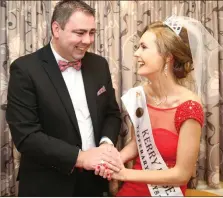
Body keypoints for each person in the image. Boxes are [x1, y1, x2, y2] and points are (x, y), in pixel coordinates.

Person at [94, 16, 220, 196]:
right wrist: (113, 162)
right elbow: (138, 143)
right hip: (131, 191)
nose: (136, 53)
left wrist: (124, 173)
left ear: (168, 57)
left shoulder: (189, 106)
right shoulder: (140, 95)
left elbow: (182, 175)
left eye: (144, 47)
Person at [6, 0, 122, 196]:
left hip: (94, 181)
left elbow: (112, 114)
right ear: (56, 29)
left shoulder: (99, 64)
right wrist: (81, 157)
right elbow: (26, 136)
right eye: (80, 33)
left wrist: (105, 145)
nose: (88, 40)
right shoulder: (25, 69)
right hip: (47, 183)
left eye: (92, 32)